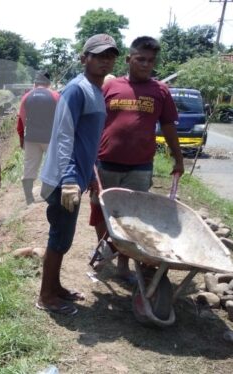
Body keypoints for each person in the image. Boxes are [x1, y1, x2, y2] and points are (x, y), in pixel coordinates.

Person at [89, 36, 184, 283]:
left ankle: (122, 264)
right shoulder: (110, 87)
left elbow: (168, 127)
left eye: (150, 61)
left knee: (133, 217)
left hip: (140, 167)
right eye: (140, 59)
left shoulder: (160, 91)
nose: (145, 64)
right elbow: (95, 122)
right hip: (106, 161)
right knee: (103, 212)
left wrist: (178, 158)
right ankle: (103, 253)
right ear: (129, 59)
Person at [37, 34, 119, 315]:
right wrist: (71, 178)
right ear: (84, 58)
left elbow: (89, 140)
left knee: (64, 236)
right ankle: (46, 295)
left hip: (76, 177)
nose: (105, 60)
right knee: (59, 237)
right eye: (98, 55)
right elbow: (63, 136)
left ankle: (55, 287)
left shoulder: (96, 90)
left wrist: (92, 174)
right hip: (64, 179)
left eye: (110, 55)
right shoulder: (77, 89)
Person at [17, 71, 60, 204]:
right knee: (53, 166)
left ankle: (29, 198)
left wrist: (22, 140)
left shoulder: (26, 97)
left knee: (29, 167)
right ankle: (49, 195)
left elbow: (21, 122)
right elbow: (61, 119)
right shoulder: (55, 96)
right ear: (49, 83)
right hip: (50, 139)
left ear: (35, 83)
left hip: (31, 138)